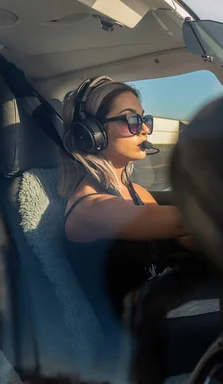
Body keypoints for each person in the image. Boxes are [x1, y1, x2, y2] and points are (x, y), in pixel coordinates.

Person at [58, 75, 197, 316]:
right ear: (93, 133)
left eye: (144, 119)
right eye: (132, 119)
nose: (144, 129)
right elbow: (185, 220)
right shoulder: (89, 209)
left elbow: (189, 239)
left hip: (172, 304)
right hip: (139, 337)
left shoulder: (137, 192)